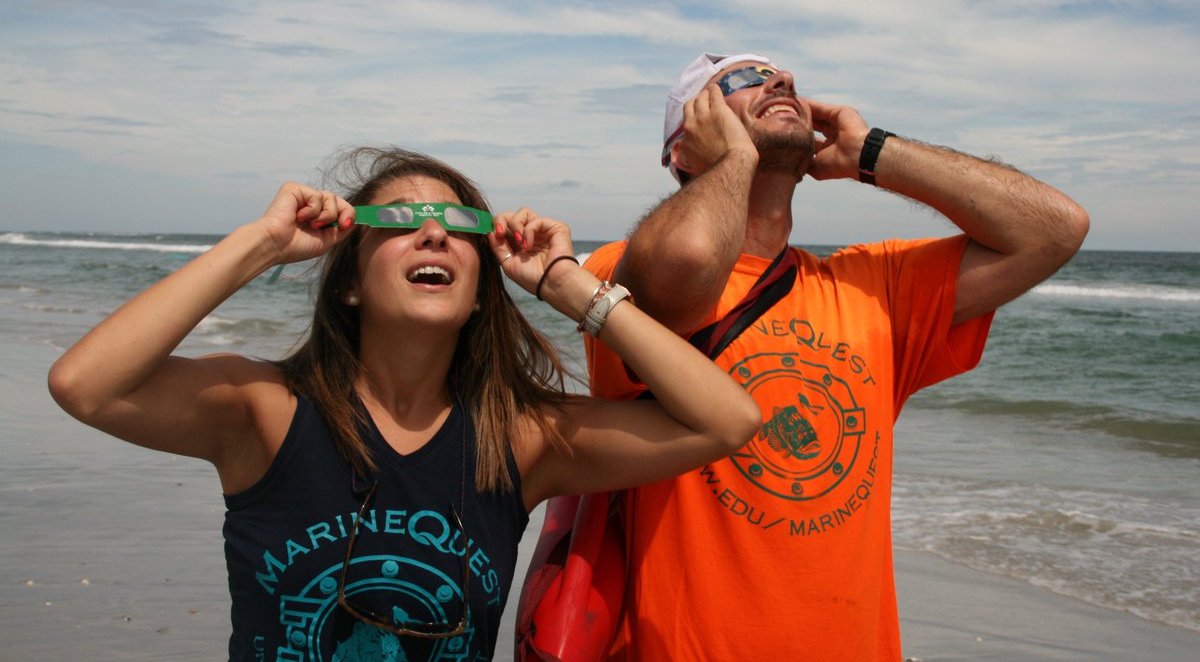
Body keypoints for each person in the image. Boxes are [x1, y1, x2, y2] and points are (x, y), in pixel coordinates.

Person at [46, 146, 761, 662]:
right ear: (350, 281)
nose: (434, 233)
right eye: (403, 221)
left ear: (482, 286)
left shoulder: (518, 438)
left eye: (459, 227)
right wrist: (262, 245)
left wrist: (570, 286)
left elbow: (727, 419)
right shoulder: (265, 412)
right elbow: (85, 384)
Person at [580, 53, 1090, 660]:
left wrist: (871, 150)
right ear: (683, 150)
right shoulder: (616, 271)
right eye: (741, 82)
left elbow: (1055, 229)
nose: (783, 82)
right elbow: (686, 261)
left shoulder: (872, 287)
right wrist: (737, 159)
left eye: (786, 78)